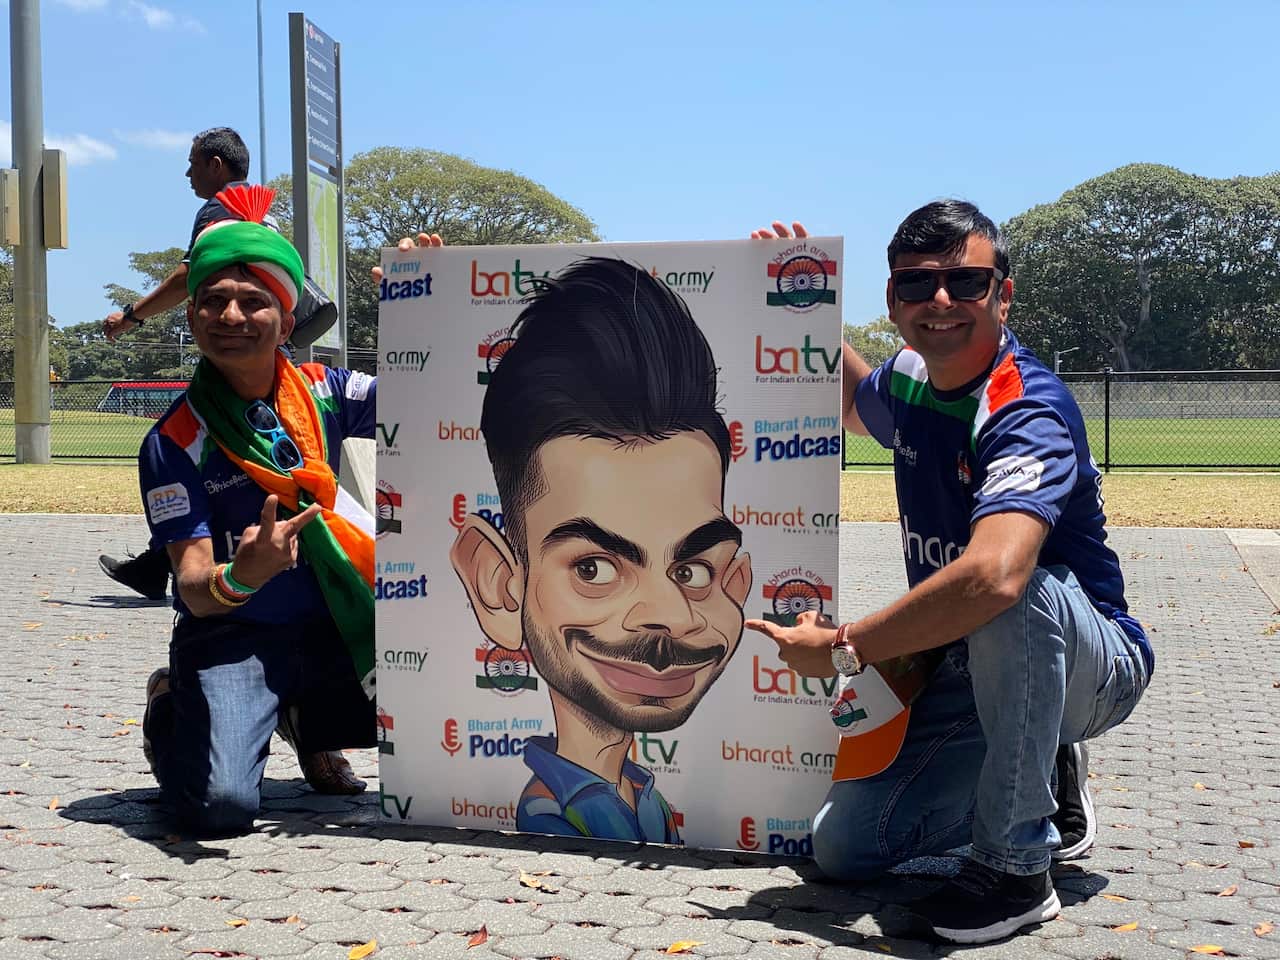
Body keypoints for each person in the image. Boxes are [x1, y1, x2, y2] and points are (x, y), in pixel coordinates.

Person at [746, 203, 1153, 945]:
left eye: (965, 282)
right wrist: (796, 296)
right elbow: (853, 407)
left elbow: (996, 578)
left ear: (1003, 294)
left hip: (1095, 665)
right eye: (916, 284)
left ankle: (1015, 868)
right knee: (845, 850)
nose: (940, 301)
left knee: (1005, 583)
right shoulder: (907, 379)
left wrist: (846, 646)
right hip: (975, 661)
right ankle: (1044, 773)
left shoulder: (1025, 406)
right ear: (893, 299)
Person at [449, 258, 753, 843]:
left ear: (734, 584)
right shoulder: (549, 813)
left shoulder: (643, 792)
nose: (669, 614)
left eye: (691, 570)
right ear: (499, 585)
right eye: (594, 568)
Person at [138, 183, 378, 834]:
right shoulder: (173, 442)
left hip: (334, 619)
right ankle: (172, 706)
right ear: (191, 318)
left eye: (253, 301)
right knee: (220, 810)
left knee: (431, 679)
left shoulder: (330, 392)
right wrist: (246, 573)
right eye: (212, 301)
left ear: (286, 315)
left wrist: (424, 293)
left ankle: (308, 721)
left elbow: (430, 390)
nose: (231, 316)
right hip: (235, 633)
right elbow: (192, 587)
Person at [99, 126, 336, 600]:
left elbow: (190, 276)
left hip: (247, 372)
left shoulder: (220, 208)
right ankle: (165, 560)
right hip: (275, 362)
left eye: (192, 163)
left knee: (218, 446)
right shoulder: (261, 214)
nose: (187, 173)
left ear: (216, 165)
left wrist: (131, 316)